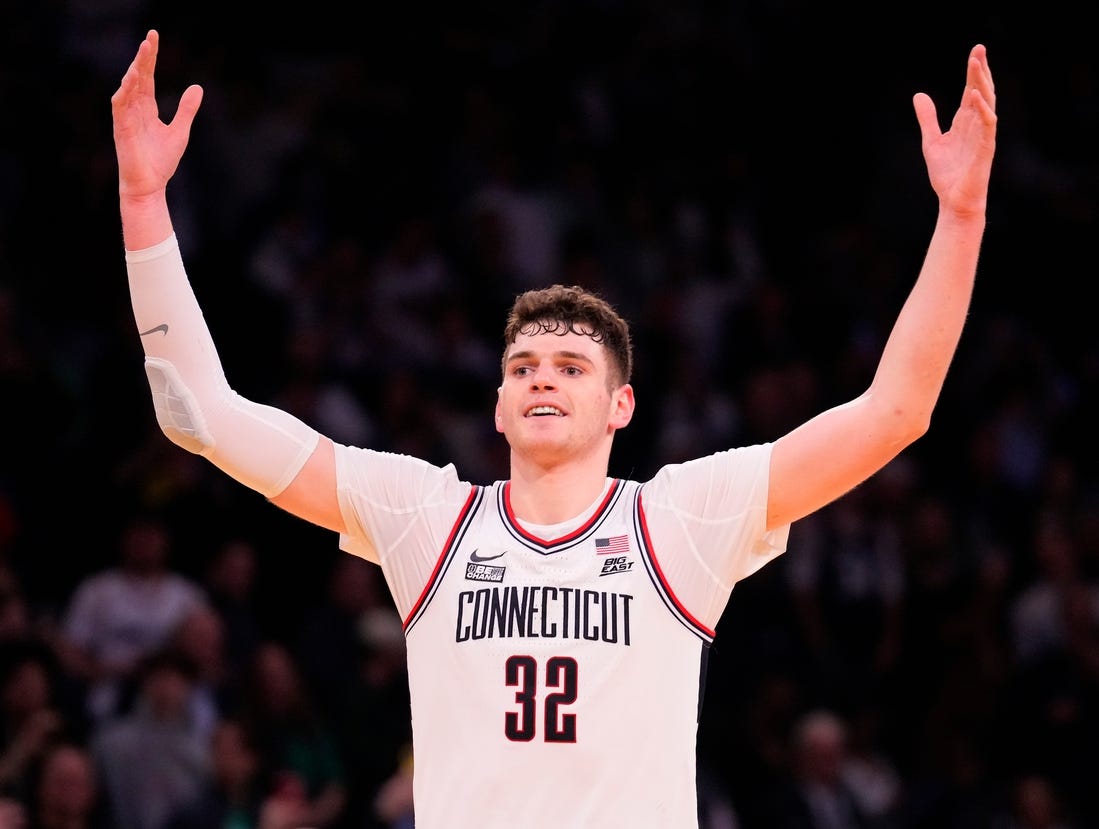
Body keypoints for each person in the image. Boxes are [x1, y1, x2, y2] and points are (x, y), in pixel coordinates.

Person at [111, 28, 997, 829]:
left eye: (572, 369)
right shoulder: (427, 517)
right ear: (496, 405)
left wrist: (959, 220)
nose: (543, 379)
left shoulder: (680, 518)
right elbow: (202, 413)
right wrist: (144, 203)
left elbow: (895, 410)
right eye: (524, 368)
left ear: (621, 405)